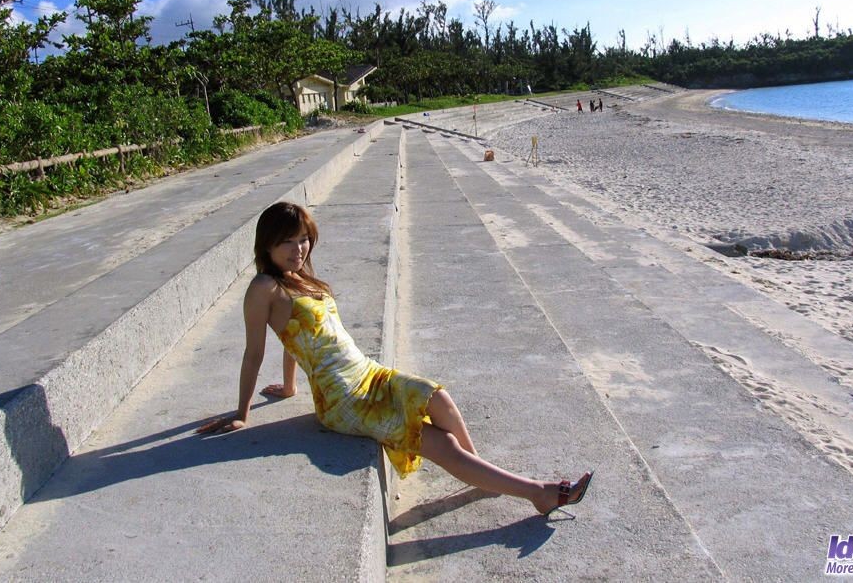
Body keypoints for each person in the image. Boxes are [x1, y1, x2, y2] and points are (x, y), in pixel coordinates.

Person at [197, 202, 594, 517]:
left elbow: (298, 337)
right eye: (287, 242)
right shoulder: (263, 287)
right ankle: (537, 493)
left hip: (367, 373)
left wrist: (289, 387)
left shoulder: (301, 277)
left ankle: (482, 474)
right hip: (343, 399)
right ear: (266, 244)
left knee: (438, 397)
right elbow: (255, 350)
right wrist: (242, 412)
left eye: (303, 239)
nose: (298, 249)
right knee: (436, 441)